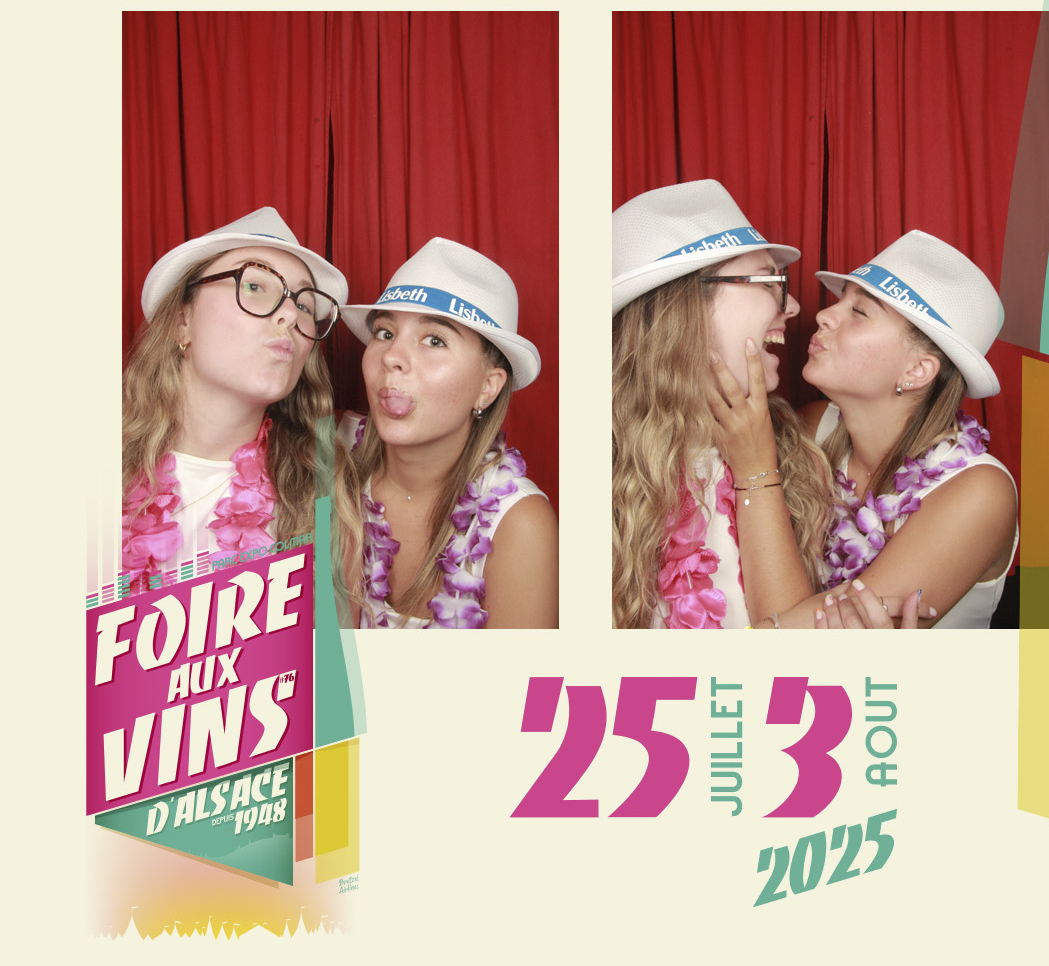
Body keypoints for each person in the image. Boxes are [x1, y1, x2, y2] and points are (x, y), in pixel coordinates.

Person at [611, 180, 917, 631]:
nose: (794, 305)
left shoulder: (801, 458)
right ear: (686, 308)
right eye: (769, 281)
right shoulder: (608, 472)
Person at [709, 230, 1018, 629]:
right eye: (841, 300)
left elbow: (794, 653)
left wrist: (755, 471)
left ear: (917, 370)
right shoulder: (813, 427)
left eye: (859, 311)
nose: (824, 315)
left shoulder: (979, 494)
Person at [122, 207, 352, 592]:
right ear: (182, 320)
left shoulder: (325, 496)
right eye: (256, 285)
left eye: (305, 305)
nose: (290, 314)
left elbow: (335, 632)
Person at [340, 238, 558, 628]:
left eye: (434, 340)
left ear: (487, 387)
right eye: (385, 332)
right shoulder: (329, 455)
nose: (392, 357)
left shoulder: (520, 526)